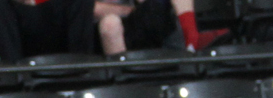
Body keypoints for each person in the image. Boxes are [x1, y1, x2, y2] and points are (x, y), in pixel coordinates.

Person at [96, 0, 228, 55]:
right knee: (110, 23)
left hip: (139, 21)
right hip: (96, 30)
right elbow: (87, 9)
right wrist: (129, 10)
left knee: (158, 5)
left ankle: (190, 41)